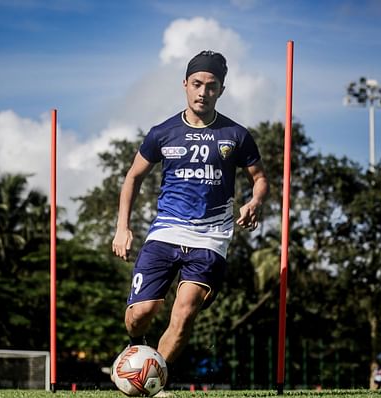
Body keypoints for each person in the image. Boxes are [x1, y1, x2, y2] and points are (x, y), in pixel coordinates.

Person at [112, 50, 268, 371]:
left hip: (211, 239)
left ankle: (151, 382)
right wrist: (122, 227)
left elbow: (260, 178)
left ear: (221, 90)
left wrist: (255, 200)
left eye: (211, 86)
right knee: (139, 314)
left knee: (183, 313)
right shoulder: (162, 133)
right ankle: (136, 348)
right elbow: (133, 177)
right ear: (184, 83)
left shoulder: (236, 136)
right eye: (197, 84)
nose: (203, 92)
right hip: (166, 232)